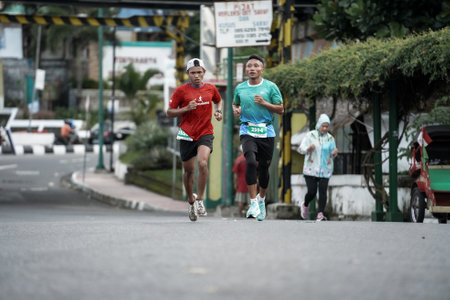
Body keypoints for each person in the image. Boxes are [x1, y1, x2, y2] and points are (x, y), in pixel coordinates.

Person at [166, 58, 223, 222]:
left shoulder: (211, 88)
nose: (196, 76)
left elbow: (218, 100)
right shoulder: (181, 91)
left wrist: (218, 112)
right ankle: (191, 201)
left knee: (203, 163)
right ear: (188, 74)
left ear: (204, 72)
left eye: (199, 72)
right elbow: (169, 112)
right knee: (189, 171)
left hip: (205, 132)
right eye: (193, 73)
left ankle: (200, 200)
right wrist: (185, 109)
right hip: (186, 133)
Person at [232, 54, 284, 221]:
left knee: (263, 167)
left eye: (256, 66)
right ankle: (253, 202)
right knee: (250, 161)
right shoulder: (240, 88)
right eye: (249, 66)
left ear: (262, 69)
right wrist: (236, 110)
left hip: (266, 131)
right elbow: (235, 103)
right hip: (247, 129)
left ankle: (261, 199)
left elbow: (280, 109)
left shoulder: (270, 87)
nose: (252, 68)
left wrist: (264, 104)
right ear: (246, 69)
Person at [297, 113, 338, 221]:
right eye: (323, 126)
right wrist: (308, 148)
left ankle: (320, 213)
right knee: (312, 191)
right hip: (310, 169)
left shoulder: (330, 139)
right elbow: (301, 149)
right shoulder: (310, 136)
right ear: (319, 125)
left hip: (325, 169)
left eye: (326, 126)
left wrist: (334, 152)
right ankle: (305, 204)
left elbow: (333, 152)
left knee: (323, 191)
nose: (324, 128)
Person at [232, 145, 249, 217]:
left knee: (240, 200)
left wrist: (235, 184)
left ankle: (240, 215)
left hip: (241, 183)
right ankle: (250, 214)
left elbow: (235, 174)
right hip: (250, 183)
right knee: (250, 200)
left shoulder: (238, 160)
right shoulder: (251, 159)